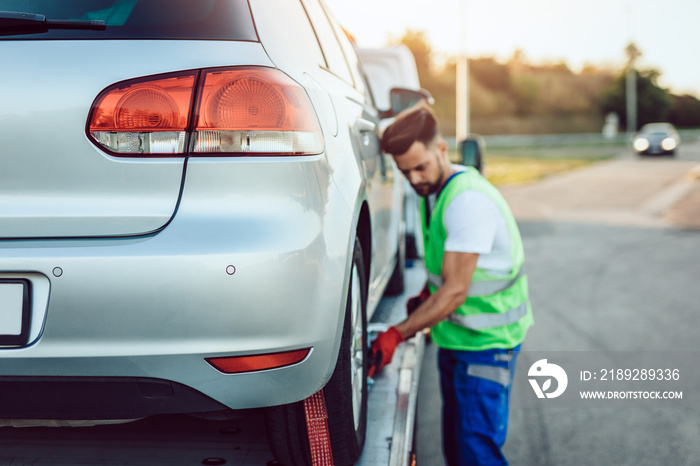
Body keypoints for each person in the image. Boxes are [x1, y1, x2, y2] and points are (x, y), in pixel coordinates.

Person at [370, 101, 533, 466]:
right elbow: (448, 273)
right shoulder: (436, 192)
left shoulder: (467, 201)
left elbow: (456, 290)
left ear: (442, 150)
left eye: (420, 167)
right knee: (459, 452)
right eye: (404, 172)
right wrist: (427, 297)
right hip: (459, 342)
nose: (414, 180)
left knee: (476, 454)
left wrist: (398, 332)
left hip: (486, 347)